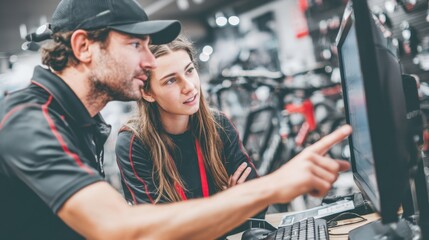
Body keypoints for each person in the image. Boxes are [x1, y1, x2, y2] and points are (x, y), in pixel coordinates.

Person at [0, 0, 351, 239]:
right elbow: (118, 228)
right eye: (136, 45)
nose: (150, 61)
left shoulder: (80, 123)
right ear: (83, 47)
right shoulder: (30, 119)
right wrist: (275, 184)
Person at [115, 36, 259, 205]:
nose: (189, 86)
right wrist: (226, 204)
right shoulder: (134, 144)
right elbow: (162, 225)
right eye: (171, 80)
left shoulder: (218, 124)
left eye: (189, 71)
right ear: (148, 93)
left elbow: (255, 201)